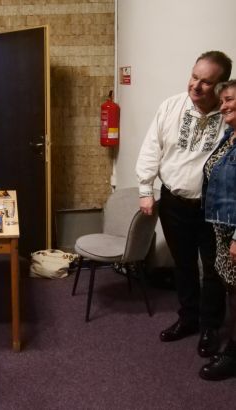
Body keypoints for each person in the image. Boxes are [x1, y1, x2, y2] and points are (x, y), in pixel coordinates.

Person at [136, 51, 232, 358]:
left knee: (213, 270)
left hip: (212, 209)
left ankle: (210, 327)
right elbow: (152, 147)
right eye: (194, 77)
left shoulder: (229, 115)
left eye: (206, 82)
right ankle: (188, 318)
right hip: (174, 203)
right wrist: (145, 189)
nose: (196, 86)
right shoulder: (171, 106)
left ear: (221, 85)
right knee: (183, 264)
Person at [199, 79, 236, 380]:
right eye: (222, 100)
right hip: (222, 230)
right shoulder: (230, 136)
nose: (223, 106)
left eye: (230, 99)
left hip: (234, 233)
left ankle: (233, 355)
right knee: (232, 292)